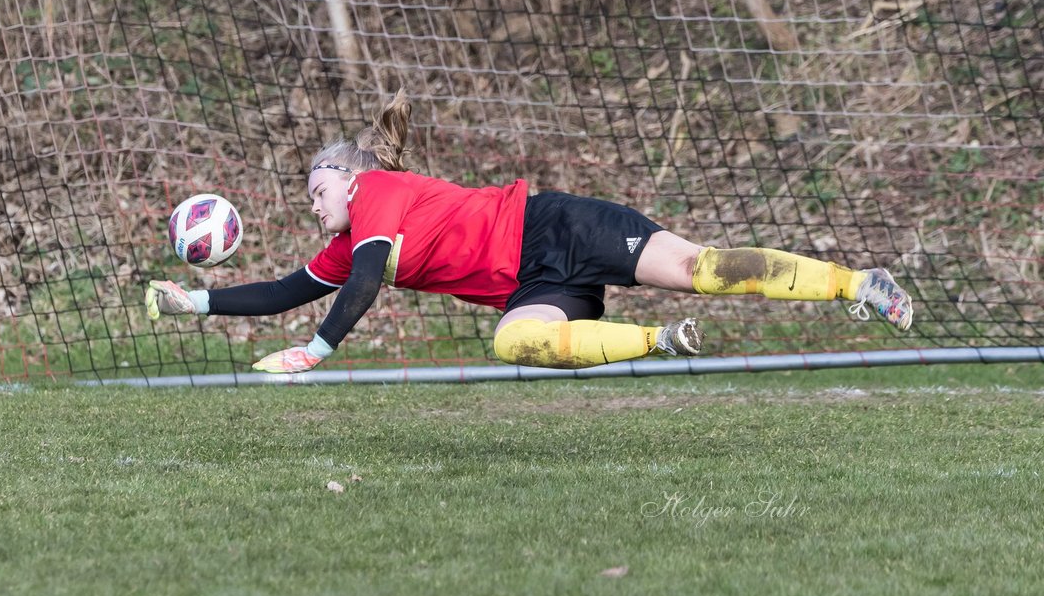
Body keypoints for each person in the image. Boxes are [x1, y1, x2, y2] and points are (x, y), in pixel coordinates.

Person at [146, 90, 913, 373]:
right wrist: (197, 303)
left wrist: (316, 353)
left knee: (704, 266)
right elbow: (286, 290)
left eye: (319, 190)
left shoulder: (377, 191)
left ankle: (858, 283)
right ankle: (663, 342)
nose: (315, 204)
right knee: (517, 344)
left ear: (350, 178)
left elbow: (366, 285)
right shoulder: (348, 242)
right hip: (535, 283)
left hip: (560, 226)